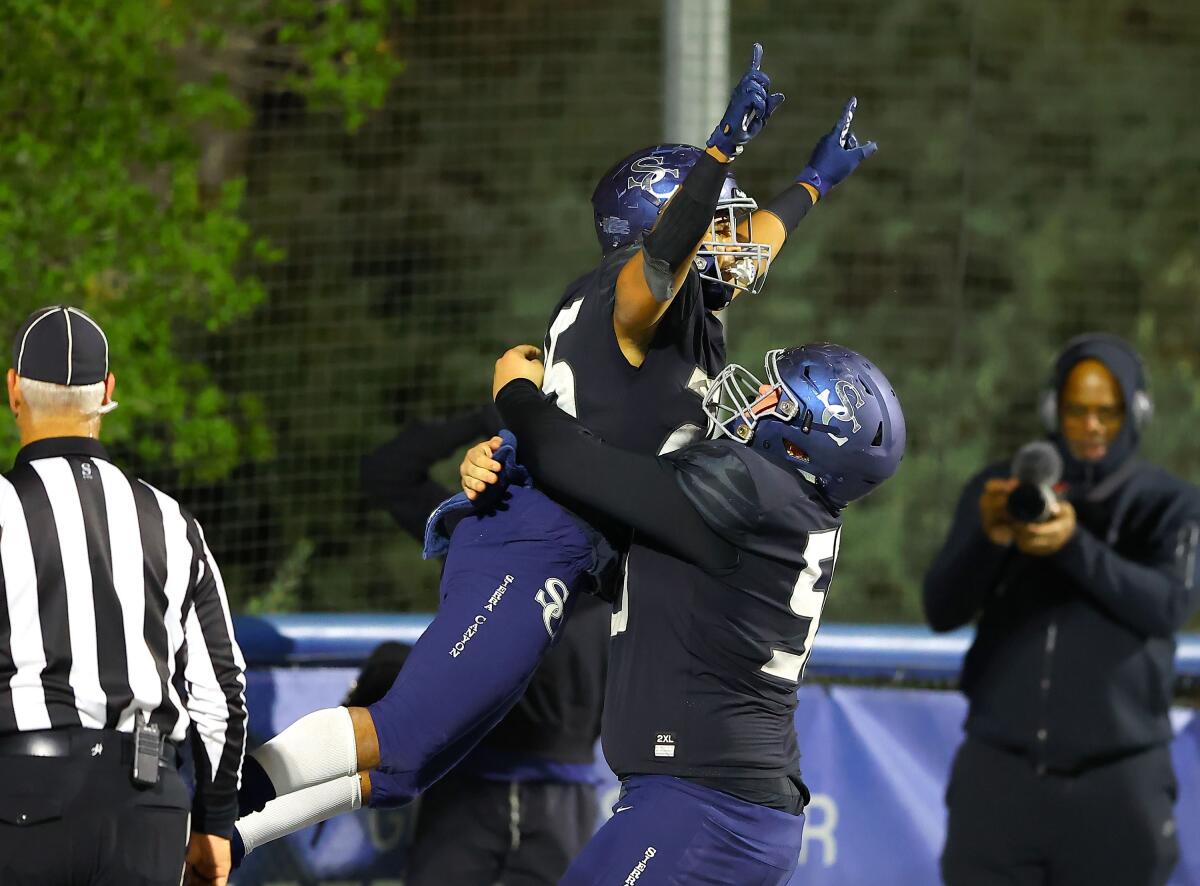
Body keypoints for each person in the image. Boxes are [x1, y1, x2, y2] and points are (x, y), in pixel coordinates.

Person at [227, 339, 905, 886]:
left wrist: (514, 395)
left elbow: (576, 462)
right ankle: (232, 829)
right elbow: (601, 541)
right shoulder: (778, 508)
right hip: (724, 808)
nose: (756, 398)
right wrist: (495, 469)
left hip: (704, 808)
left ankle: (220, 815)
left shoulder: (749, 489)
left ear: (801, 442)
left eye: (777, 399)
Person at [923, 333, 1200, 886]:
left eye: (1107, 411)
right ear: (1055, 410)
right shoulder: (1003, 491)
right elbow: (941, 608)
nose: (1092, 426)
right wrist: (989, 538)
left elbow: (1168, 607)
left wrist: (1074, 545)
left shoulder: (1170, 504)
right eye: (1077, 411)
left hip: (1119, 781)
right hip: (1000, 776)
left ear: (1134, 412)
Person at [530, 42, 876, 463]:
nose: (734, 242)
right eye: (717, 227)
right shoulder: (628, 291)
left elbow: (741, 249)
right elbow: (667, 253)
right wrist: (719, 152)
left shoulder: (670, 303)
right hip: (579, 523)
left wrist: (813, 182)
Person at [0, 305, 247, 886]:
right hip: (149, 805)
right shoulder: (171, 520)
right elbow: (221, 692)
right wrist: (215, 821)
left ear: (13, 390)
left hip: (24, 795)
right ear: (108, 392)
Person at [360, 407, 610, 885]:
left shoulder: (612, 543)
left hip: (559, 791)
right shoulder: (479, 528)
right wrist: (484, 418)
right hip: (468, 780)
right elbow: (385, 471)